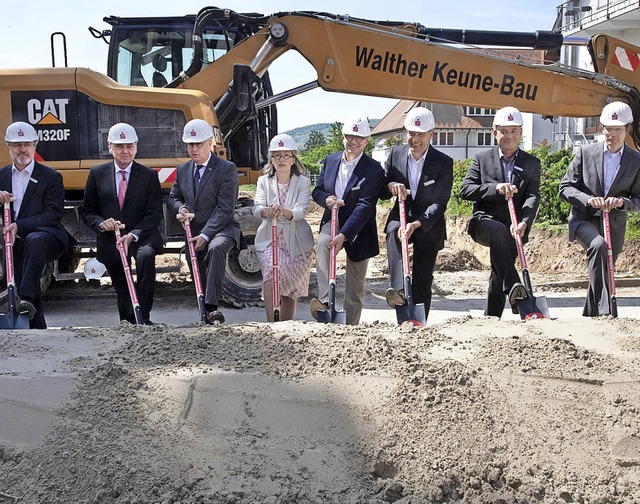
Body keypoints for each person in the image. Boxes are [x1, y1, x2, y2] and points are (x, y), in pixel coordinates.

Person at [559, 101, 640, 316]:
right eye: (608, 129)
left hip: (614, 222)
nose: (611, 134)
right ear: (602, 128)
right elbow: (565, 187)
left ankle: (591, 312)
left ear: (627, 130)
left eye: (617, 129)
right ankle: (605, 309)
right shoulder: (585, 153)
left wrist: (623, 203)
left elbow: (638, 198)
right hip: (583, 218)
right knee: (598, 245)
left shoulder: (636, 160)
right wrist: (587, 200)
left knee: (602, 263)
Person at [460, 106, 541, 318]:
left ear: (521, 133)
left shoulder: (532, 163)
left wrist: (525, 222)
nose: (509, 136)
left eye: (513, 131)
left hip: (515, 227)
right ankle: (515, 285)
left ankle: (492, 317)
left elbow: (533, 196)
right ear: (494, 132)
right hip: (483, 222)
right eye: (504, 131)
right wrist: (494, 188)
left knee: (499, 271)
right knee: (497, 231)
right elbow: (465, 190)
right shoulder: (481, 159)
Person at [81, 123, 163, 325]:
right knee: (121, 279)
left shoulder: (149, 175)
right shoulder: (96, 174)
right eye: (119, 147)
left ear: (136, 146)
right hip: (111, 239)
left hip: (141, 235)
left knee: (145, 257)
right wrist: (102, 224)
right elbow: (88, 212)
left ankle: (143, 317)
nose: (125, 151)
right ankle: (126, 319)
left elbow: (154, 214)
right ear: (110, 147)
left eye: (129, 146)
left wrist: (133, 234)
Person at [310, 116, 384, 325]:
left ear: (366, 141)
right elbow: (317, 191)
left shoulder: (373, 169)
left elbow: (365, 206)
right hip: (332, 219)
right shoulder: (330, 160)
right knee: (323, 244)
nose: (354, 141)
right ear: (342, 137)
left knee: (355, 285)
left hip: (360, 227)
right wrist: (326, 199)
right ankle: (324, 300)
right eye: (350, 137)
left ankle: (350, 327)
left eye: (359, 138)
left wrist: (344, 235)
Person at [381, 107, 453, 320]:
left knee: (422, 277)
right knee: (394, 231)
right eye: (411, 133)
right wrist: (391, 185)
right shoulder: (395, 154)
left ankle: (419, 322)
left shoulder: (443, 162)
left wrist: (418, 224)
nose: (415, 139)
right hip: (403, 212)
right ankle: (399, 290)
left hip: (429, 222)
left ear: (431, 134)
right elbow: (383, 185)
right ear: (405, 132)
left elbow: (440, 203)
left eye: (421, 134)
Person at [167, 118, 242, 324]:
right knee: (197, 270)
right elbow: (174, 197)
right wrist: (181, 208)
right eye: (190, 144)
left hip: (222, 229)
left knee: (216, 248)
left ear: (210, 142)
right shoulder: (183, 170)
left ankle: (212, 308)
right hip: (194, 230)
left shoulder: (225, 169)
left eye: (198, 144)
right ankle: (204, 310)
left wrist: (206, 234)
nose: (193, 149)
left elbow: (225, 208)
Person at [0, 121, 69, 329]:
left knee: (34, 241)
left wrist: (19, 226)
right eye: (16, 145)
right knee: (23, 279)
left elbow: (53, 215)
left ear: (35, 146)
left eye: (27, 144)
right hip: (14, 240)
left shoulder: (51, 177)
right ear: (8, 147)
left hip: (47, 236)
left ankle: (26, 297)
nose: (22, 149)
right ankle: (37, 328)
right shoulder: (1, 176)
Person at [253, 134, 314, 322]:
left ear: (293, 159)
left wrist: (285, 211)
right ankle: (272, 323)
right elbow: (256, 207)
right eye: (277, 155)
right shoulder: (263, 181)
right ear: (271, 159)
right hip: (270, 237)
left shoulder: (302, 182)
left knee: (291, 287)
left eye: (286, 155)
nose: (281, 160)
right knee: (272, 270)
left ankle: (287, 325)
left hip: (296, 240)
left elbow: (301, 210)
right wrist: (265, 211)